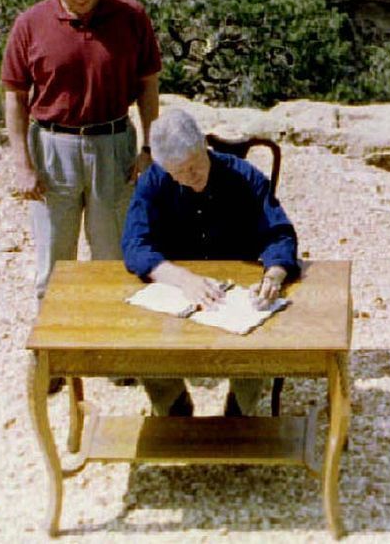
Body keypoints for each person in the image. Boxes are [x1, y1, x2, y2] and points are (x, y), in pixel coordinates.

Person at [2, 0, 162, 303]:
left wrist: (149, 148)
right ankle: (52, 353)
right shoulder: (30, 23)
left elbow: (148, 86)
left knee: (115, 256)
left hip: (114, 143)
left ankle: (111, 344)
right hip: (52, 148)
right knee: (54, 260)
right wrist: (22, 164)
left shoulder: (131, 16)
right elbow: (14, 96)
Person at [123, 108, 300, 418]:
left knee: (259, 338)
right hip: (177, 291)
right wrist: (179, 277)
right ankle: (173, 406)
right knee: (141, 342)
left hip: (234, 293)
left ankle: (240, 410)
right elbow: (135, 245)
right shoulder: (153, 182)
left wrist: (274, 273)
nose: (193, 176)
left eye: (196, 164)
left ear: (204, 145)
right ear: (165, 168)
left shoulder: (242, 176)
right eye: (181, 172)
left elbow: (280, 234)